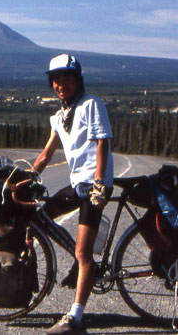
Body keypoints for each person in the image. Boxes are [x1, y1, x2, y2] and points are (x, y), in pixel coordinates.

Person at [32, 54, 114, 335]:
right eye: (56, 79)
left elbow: (102, 142)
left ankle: (76, 319)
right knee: (40, 215)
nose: (61, 84)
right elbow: (46, 153)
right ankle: (80, 265)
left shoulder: (92, 104)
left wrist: (100, 184)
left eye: (67, 78)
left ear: (78, 80)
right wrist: (26, 178)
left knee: (84, 252)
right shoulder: (59, 117)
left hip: (93, 185)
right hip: (78, 184)